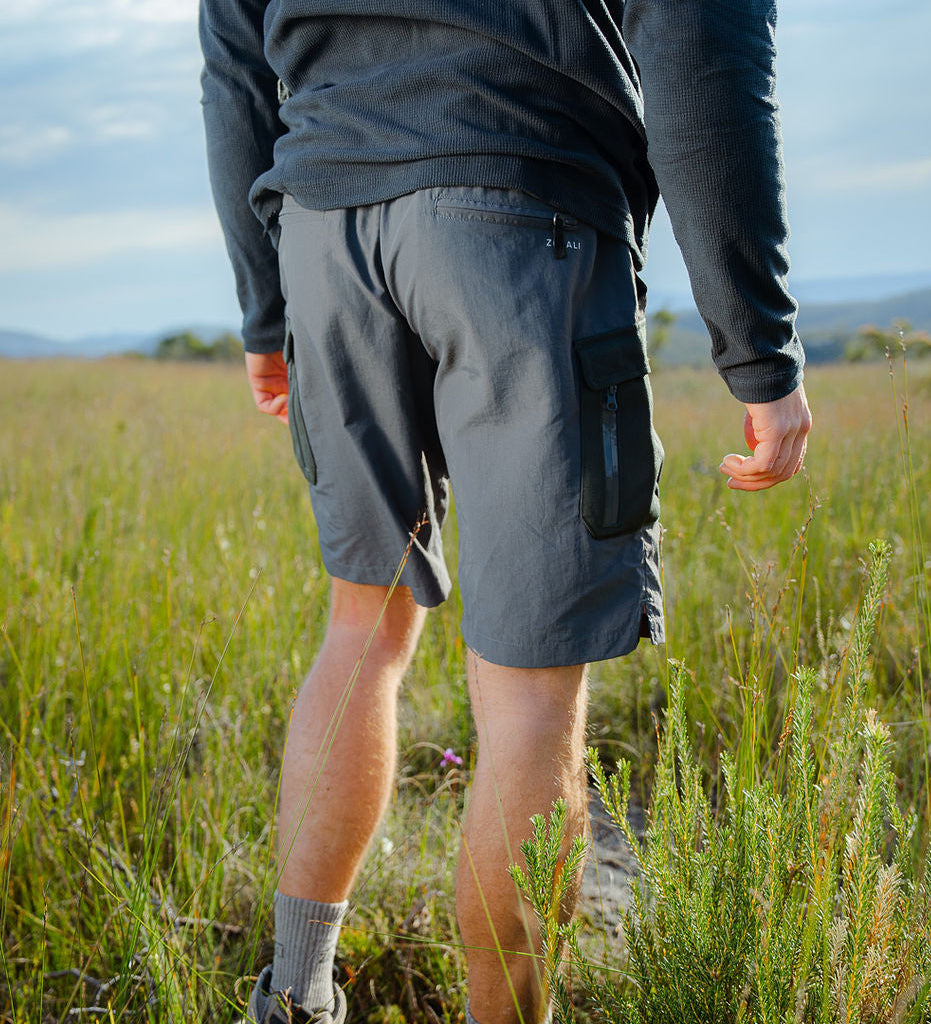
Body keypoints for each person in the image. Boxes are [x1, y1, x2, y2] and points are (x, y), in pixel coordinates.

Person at [199, 1, 812, 1022]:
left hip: (323, 233)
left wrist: (266, 305)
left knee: (362, 625)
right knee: (527, 693)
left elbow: (231, 65)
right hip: (527, 215)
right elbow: (704, 62)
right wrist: (758, 349)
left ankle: (293, 997)